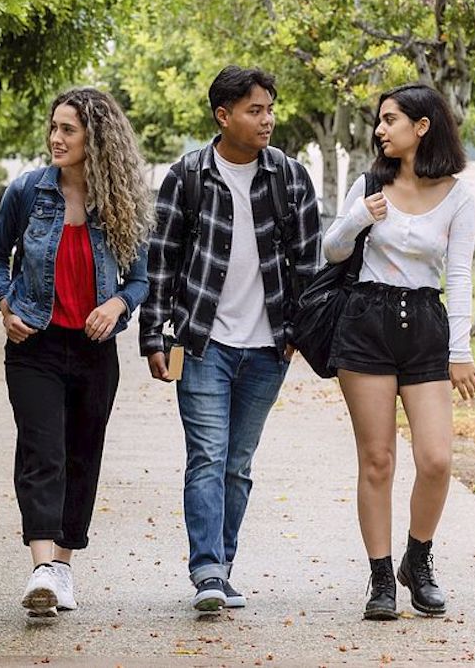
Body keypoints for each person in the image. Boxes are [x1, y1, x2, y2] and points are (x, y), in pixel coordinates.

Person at [139, 65, 322, 612]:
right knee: (207, 456)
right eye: (255, 110)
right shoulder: (188, 175)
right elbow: (163, 260)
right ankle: (208, 572)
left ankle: (224, 564)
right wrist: (154, 334)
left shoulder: (289, 176)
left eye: (269, 108)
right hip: (202, 344)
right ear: (224, 116)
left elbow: (310, 265)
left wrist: (298, 334)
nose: (267, 119)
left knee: (237, 464)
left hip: (269, 349)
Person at [0, 88, 153, 618]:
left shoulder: (122, 200)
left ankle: (61, 568)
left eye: (69, 130)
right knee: (42, 452)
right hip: (34, 343)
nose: (56, 138)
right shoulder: (27, 192)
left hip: (94, 350)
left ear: (95, 139)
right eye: (53, 127)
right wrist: (4, 303)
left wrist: (118, 304)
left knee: (83, 456)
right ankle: (40, 568)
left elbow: (142, 280)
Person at [320, 82, 475, 621]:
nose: (381, 129)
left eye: (391, 120)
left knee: (436, 458)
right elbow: (332, 249)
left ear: (422, 126)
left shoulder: (457, 195)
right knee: (378, 459)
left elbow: (457, 275)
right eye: (379, 121)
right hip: (366, 322)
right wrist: (363, 215)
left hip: (425, 327)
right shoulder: (370, 183)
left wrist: (461, 351)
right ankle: (381, 578)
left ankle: (419, 557)